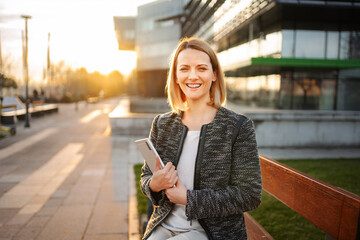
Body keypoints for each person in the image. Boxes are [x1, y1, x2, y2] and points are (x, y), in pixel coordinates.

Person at [140, 37, 262, 240]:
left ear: (214, 74)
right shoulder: (162, 124)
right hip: (164, 224)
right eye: (185, 68)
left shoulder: (238, 127)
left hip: (212, 233)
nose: (193, 76)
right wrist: (154, 183)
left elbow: (249, 194)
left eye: (202, 68)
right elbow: (146, 177)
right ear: (176, 76)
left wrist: (190, 199)